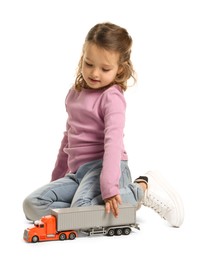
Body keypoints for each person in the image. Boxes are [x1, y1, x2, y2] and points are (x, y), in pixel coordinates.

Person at [23, 22, 184, 227]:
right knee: (32, 205)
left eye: (105, 68)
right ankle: (82, 211)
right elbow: (69, 136)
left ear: (119, 69)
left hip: (107, 167)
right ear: (83, 58)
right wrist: (56, 178)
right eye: (89, 64)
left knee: (81, 212)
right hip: (78, 174)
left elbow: (113, 143)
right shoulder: (74, 93)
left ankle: (139, 190)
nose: (95, 73)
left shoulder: (112, 98)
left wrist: (109, 187)